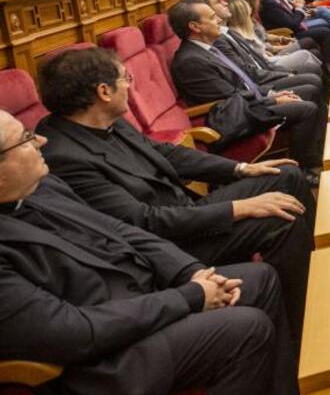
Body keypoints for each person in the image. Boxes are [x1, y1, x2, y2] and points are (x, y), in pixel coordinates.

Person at [0, 109, 293, 395]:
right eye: (25, 138)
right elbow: (73, 331)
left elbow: (119, 229)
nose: (40, 140)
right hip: (101, 365)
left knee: (260, 280)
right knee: (246, 329)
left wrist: (190, 272)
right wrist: (190, 297)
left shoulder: (41, 184)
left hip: (142, 297)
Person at [36, 47, 314, 337]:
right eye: (125, 78)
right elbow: (143, 221)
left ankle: (319, 258)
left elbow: (167, 153)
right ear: (104, 91)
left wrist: (241, 169)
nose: (131, 85)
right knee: (281, 217)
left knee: (285, 174)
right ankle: (304, 323)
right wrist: (240, 207)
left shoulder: (104, 119)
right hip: (170, 242)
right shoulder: (66, 156)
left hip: (184, 210)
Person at [167, 0, 325, 171]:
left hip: (247, 103)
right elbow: (229, 98)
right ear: (195, 27)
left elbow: (243, 81)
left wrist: (270, 95)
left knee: (310, 89)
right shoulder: (191, 61)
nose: (219, 20)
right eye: (212, 18)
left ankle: (320, 144)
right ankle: (306, 166)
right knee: (305, 108)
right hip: (234, 116)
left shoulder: (206, 48)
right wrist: (271, 100)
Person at [227, 0, 323, 77]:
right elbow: (260, 55)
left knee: (311, 53)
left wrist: (280, 39)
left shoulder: (249, 25)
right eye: (248, 8)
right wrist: (281, 49)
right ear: (242, 13)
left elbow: (264, 42)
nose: (251, 9)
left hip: (271, 57)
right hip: (270, 63)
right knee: (307, 54)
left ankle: (326, 78)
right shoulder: (236, 34)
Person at [258, 0, 330, 67]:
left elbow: (290, 18)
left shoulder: (273, 0)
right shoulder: (269, 4)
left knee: (325, 26)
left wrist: (298, 8)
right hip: (288, 34)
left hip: (295, 28)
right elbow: (292, 24)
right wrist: (299, 9)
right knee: (324, 30)